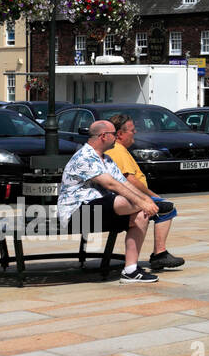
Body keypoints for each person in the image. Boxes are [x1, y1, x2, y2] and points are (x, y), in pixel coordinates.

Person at [56, 119, 160, 283]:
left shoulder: (107, 159)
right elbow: (111, 184)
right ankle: (143, 207)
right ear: (104, 136)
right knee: (121, 201)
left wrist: (147, 199)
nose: (116, 137)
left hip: (100, 210)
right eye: (113, 134)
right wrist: (142, 203)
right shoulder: (85, 156)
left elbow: (124, 183)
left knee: (141, 216)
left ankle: (130, 270)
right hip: (75, 215)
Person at [107, 114, 185, 270]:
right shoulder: (118, 150)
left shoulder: (119, 149)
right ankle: (159, 254)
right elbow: (129, 179)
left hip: (129, 198)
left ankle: (158, 254)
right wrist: (151, 196)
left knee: (163, 207)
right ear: (120, 134)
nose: (135, 132)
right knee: (166, 208)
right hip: (128, 199)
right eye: (132, 130)